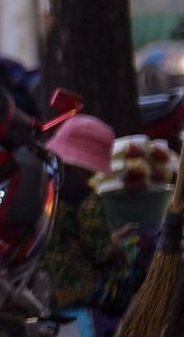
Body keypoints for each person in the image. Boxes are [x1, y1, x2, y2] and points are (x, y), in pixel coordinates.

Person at [41, 116, 128, 314]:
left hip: (35, 289)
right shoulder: (85, 198)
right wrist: (119, 249)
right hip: (78, 291)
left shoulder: (41, 184)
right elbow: (101, 251)